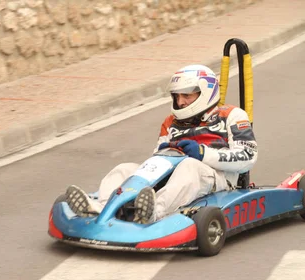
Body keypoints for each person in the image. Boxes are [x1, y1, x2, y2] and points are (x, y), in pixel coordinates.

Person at [65, 64, 258, 224]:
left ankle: (152, 212)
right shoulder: (170, 123)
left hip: (217, 178)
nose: (180, 102)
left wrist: (203, 154)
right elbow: (156, 160)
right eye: (176, 96)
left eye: (187, 96)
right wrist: (161, 153)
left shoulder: (232, 115)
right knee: (124, 169)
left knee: (190, 166)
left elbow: (248, 157)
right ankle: (100, 208)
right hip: (171, 174)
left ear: (205, 92)